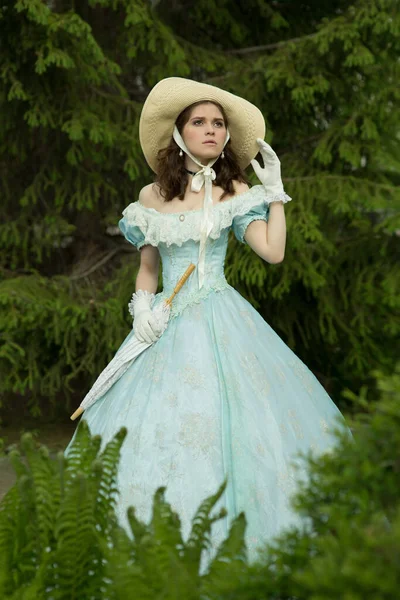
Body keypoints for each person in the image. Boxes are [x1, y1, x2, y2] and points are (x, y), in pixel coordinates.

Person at [64, 77, 351, 571]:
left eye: (218, 124)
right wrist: (142, 312)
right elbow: (149, 269)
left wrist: (275, 194)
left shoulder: (235, 189)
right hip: (165, 324)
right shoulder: (150, 198)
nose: (212, 131)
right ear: (178, 133)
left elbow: (273, 253)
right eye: (200, 122)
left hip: (222, 315)